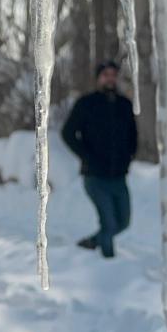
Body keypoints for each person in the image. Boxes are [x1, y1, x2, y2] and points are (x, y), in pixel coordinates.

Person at [60, 59, 138, 258]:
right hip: (95, 177)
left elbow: (133, 135)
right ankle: (108, 262)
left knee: (123, 222)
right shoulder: (86, 103)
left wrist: (129, 157)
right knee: (109, 223)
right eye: (106, 75)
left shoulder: (124, 105)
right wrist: (86, 157)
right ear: (98, 79)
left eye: (113, 75)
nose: (110, 79)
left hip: (119, 176)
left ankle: (93, 242)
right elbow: (68, 133)